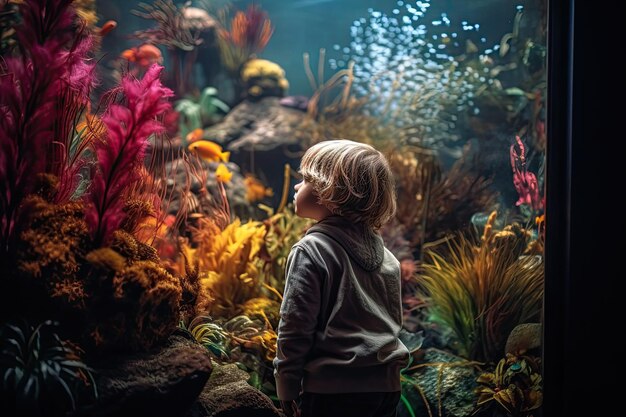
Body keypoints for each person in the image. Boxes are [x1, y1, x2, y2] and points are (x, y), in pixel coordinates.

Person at [273, 139, 410, 417]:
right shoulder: (388, 259)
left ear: (332, 191)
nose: (297, 186)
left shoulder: (311, 251)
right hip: (387, 388)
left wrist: (286, 385)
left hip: (333, 392)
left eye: (306, 179)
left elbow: (295, 325)